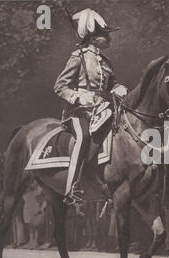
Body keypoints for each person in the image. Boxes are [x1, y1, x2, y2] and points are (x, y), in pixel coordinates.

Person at [54, 8, 128, 204]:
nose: (108, 38)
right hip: (79, 113)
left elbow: (111, 84)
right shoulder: (78, 57)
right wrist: (79, 97)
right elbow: (60, 87)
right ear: (93, 38)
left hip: (102, 110)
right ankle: (72, 186)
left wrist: (119, 88)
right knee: (84, 137)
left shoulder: (105, 61)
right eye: (104, 35)